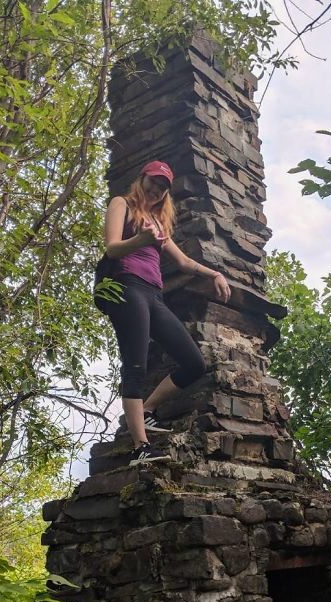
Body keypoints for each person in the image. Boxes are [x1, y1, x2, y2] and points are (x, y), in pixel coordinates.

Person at [97, 160, 231, 466]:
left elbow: (183, 263)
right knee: (135, 365)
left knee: (193, 362)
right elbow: (112, 248)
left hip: (154, 295)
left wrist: (214, 275)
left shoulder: (157, 224)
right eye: (153, 182)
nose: (156, 190)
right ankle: (140, 448)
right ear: (142, 178)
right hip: (126, 287)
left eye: (163, 187)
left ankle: (146, 411)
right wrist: (140, 240)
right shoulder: (122, 204)